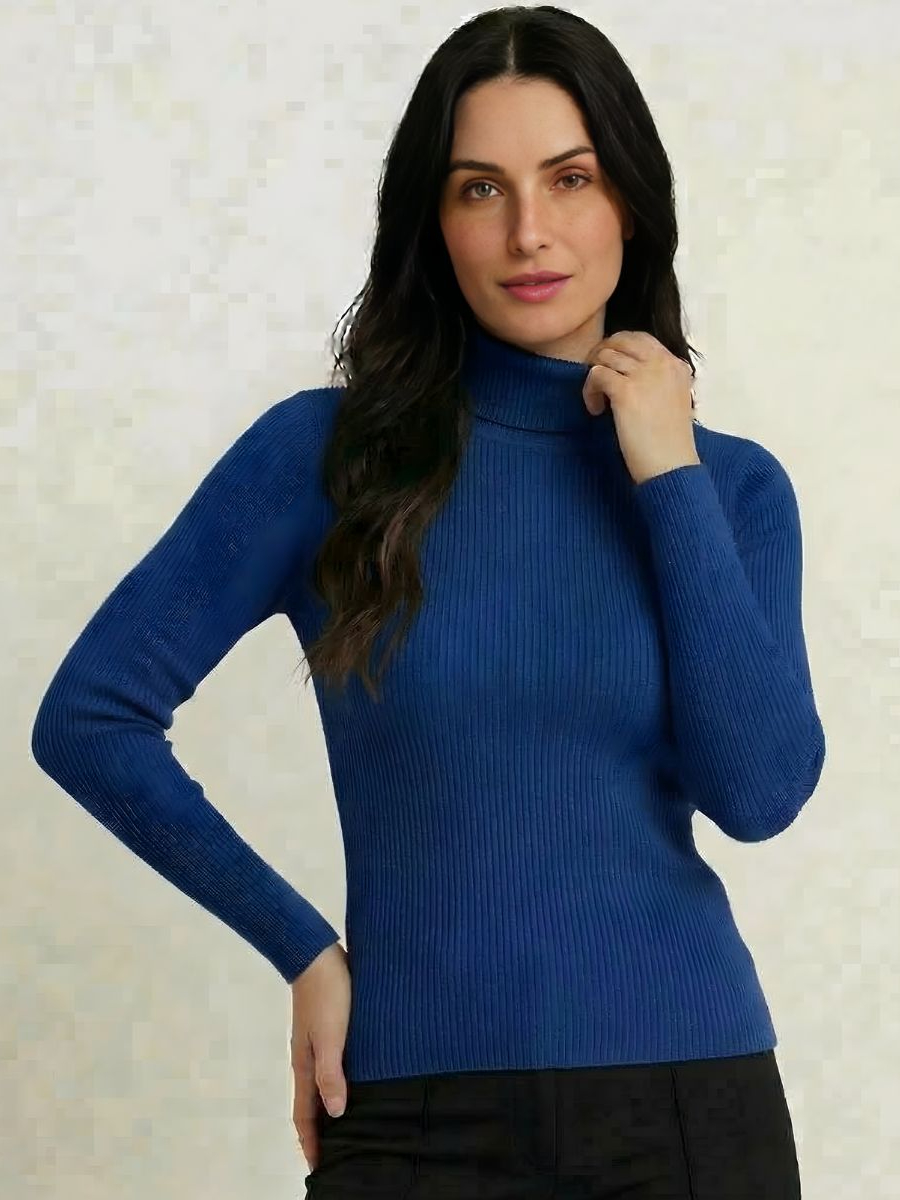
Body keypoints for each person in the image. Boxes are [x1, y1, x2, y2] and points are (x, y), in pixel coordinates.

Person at [31, 6, 824, 1197]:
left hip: (688, 1106)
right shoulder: (327, 458)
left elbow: (759, 795)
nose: (528, 231)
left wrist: (669, 472)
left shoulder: (733, 489)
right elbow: (91, 718)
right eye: (479, 189)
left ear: (631, 201)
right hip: (411, 1117)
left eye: (570, 179)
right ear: (433, 221)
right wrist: (302, 947)